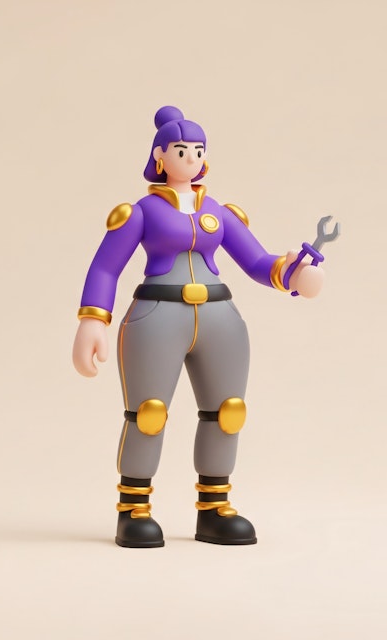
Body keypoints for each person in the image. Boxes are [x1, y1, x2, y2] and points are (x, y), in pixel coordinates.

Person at [73, 106, 324, 548]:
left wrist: (293, 273)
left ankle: (214, 507)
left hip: (219, 317)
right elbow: (106, 268)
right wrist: (93, 320)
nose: (191, 157)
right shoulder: (141, 212)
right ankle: (134, 508)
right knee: (148, 413)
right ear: (160, 156)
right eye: (181, 149)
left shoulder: (219, 212)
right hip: (157, 314)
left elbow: (257, 261)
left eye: (198, 150)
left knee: (227, 411)